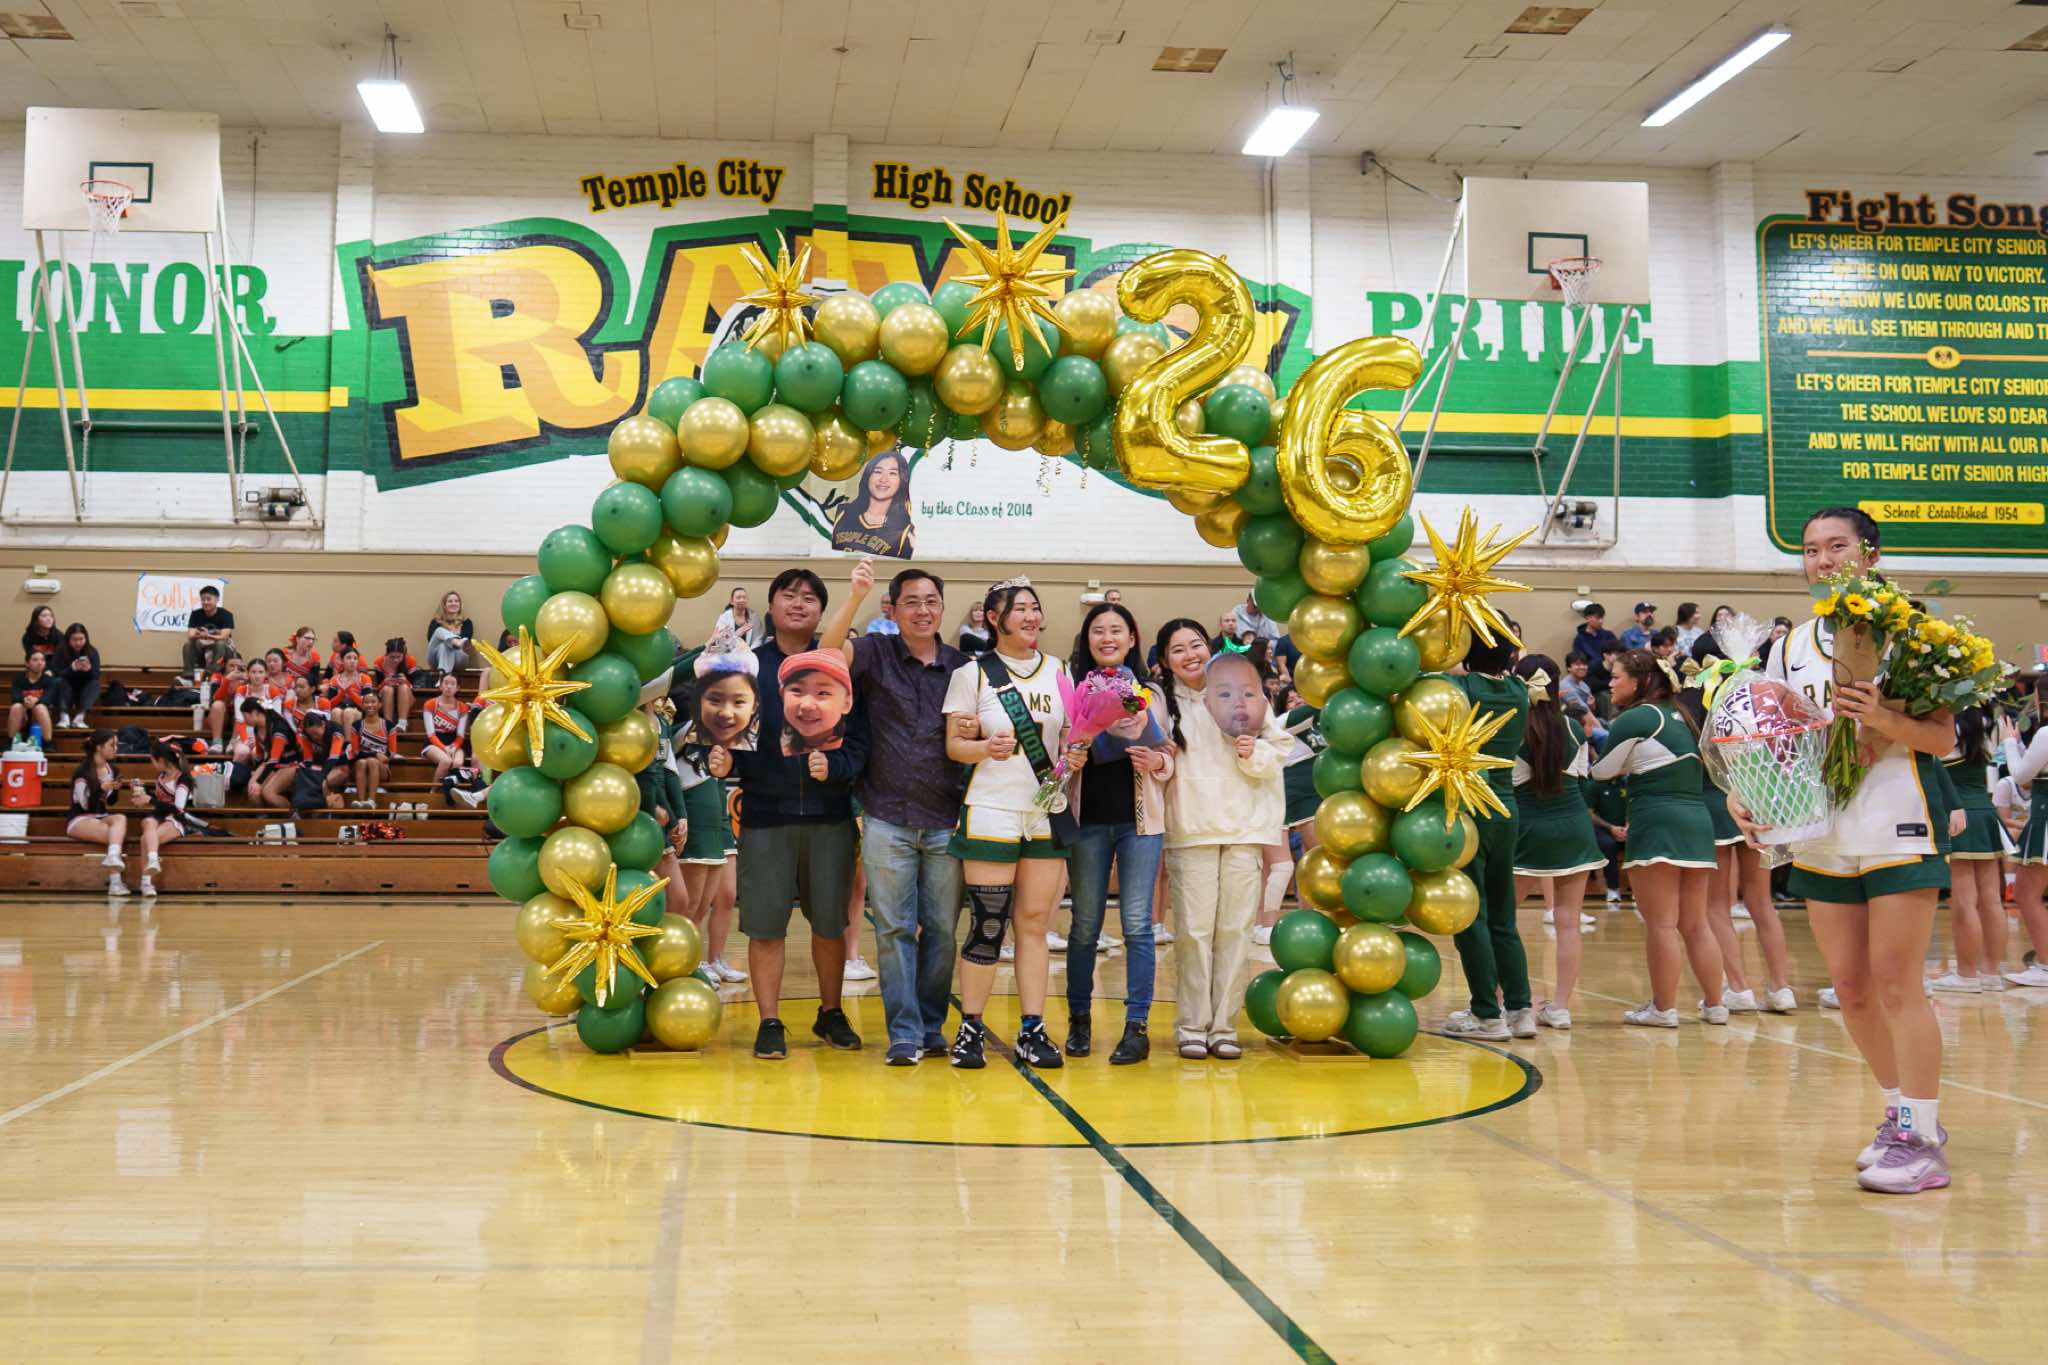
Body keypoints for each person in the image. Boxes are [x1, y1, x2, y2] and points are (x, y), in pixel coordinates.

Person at [1732, 508, 1959, 1194]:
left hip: (1898, 820)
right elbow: (1774, 740)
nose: (1823, 560)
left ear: (1871, 554)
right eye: (1811, 550)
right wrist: (1746, 792)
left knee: (1896, 983)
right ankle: (1899, 1114)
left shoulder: (1913, 634)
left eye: (1837, 546)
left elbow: (1943, 738)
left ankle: (1923, 1138)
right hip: (1820, 830)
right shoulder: (1789, 646)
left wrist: (1882, 719)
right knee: (1852, 990)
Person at [711, 568, 866, 1059]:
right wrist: (726, 759)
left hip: (829, 817)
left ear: (822, 612)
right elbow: (732, 731)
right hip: (765, 817)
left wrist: (836, 767)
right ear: (771, 605)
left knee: (830, 924)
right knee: (765, 925)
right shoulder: (748, 667)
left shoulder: (838, 665)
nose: (798, 604)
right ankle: (769, 1020)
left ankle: (831, 1012)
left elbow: (860, 740)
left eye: (809, 598)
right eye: (788, 595)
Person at [819, 559, 967, 1065]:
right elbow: (825, 655)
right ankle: (904, 1032)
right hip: (886, 816)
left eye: (931, 601)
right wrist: (855, 594)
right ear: (894, 609)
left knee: (942, 930)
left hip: (947, 818)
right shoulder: (875, 653)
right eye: (912, 602)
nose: (923, 610)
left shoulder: (963, 666)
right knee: (894, 930)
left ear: (942, 608)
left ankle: (931, 1024)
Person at [941, 578, 1076, 1069]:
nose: (1031, 616)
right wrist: (984, 747)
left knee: (1036, 925)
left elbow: (1070, 737)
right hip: (992, 810)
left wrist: (1074, 756)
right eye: (1019, 608)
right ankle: (971, 1027)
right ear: (995, 618)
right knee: (988, 923)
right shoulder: (972, 674)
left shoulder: (1060, 670)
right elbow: (955, 747)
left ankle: (1032, 1028)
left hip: (1045, 812)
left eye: (1035, 607)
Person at [1156, 624, 1287, 1059]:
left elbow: (1278, 750)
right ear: (1165, 659)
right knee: (1194, 932)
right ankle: (1193, 1025)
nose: (1189, 654)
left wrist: (1253, 752)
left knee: (1235, 931)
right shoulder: (1163, 704)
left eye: (1195, 644)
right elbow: (1158, 763)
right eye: (1177, 649)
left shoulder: (1245, 693)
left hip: (1244, 830)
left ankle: (1224, 1026)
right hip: (1191, 830)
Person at [1060, 602, 1172, 1065]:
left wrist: (1157, 761)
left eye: (1116, 630)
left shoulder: (1149, 692)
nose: (1107, 638)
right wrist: (1072, 755)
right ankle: (1079, 1020)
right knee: (1085, 924)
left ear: (1131, 638)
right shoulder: (1072, 688)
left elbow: (1170, 754)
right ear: (1086, 640)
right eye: (1098, 631)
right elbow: (1059, 754)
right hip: (1088, 821)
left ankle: (1136, 1027)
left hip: (1139, 823)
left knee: (1137, 925)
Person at [1592, 649, 1726, 1028]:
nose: (1611, 683)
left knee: (1662, 924)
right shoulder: (1682, 716)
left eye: (1617, 676)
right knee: (1696, 924)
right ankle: (1716, 1005)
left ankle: (1664, 1009)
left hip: (1657, 821)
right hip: (1697, 822)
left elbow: (1601, 772)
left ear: (1639, 681)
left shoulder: (1636, 718)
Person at [1440, 630, 1536, 1041]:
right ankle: (1520, 1010)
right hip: (1506, 808)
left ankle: (1486, 1014)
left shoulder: (1460, 689)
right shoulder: (1519, 691)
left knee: (1471, 916)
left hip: (1469, 810)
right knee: (1503, 918)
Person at [1676, 684, 1792, 1014]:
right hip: (1755, 806)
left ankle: (1739, 988)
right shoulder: (1742, 713)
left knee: (1716, 906)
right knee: (1762, 902)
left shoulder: (1686, 717)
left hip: (1714, 809)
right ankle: (1781, 988)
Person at [1509, 656, 1604, 1029]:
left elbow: (1509, 784)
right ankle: (1560, 1008)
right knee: (1569, 923)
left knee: (1502, 921)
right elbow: (1581, 779)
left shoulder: (1513, 727)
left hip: (1527, 828)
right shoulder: (1574, 727)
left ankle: (1507, 1003)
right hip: (1574, 826)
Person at [676, 643, 758, 983]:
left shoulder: (725, 728)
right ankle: (688, 963)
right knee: (693, 905)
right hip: (695, 815)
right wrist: (710, 650)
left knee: (724, 895)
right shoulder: (684, 729)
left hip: (718, 812)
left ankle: (714, 960)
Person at [1933, 708, 2008, 993]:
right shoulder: (1992, 724)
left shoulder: (1948, 727)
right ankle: (1991, 973)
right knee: (1992, 900)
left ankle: (1966, 975)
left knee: (1964, 901)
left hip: (1958, 815)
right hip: (1986, 813)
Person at [1268, 687, 1325, 946]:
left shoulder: (1321, 726)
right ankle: (1264, 924)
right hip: (1280, 793)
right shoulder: (1281, 723)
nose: (1296, 701)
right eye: (1289, 699)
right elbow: (1307, 711)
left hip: (1312, 795)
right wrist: (1323, 697)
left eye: (1299, 696)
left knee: (1314, 859)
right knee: (1278, 867)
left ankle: (1308, 915)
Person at [2000, 712, 2048, 988]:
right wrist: (2019, 745)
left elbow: (2020, 776)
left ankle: (2046, 965)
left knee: (2026, 894)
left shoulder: (2046, 733)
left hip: (2046, 817)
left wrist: (2008, 742)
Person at [66, 728, 132, 895]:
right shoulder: (82, 772)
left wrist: (115, 789)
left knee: (120, 818)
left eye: (116, 745)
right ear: (98, 748)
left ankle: (113, 858)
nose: (116, 749)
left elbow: (111, 802)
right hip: (80, 819)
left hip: (101, 815)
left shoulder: (113, 770)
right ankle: (115, 883)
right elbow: (85, 806)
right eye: (112, 745)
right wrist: (101, 789)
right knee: (114, 836)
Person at [830, 450, 916, 558]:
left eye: (892, 473)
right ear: (867, 476)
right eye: (878, 472)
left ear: (902, 481)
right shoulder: (842, 513)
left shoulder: (906, 531)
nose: (883, 479)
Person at [138, 739, 195, 895]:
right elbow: (160, 800)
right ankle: (152, 861)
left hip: (177, 819)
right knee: (148, 823)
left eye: (153, 760)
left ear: (162, 760)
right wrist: (143, 792)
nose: (152, 764)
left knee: (145, 839)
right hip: (160, 816)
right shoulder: (161, 776)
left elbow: (178, 809)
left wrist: (150, 800)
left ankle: (146, 883)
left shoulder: (183, 779)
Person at [420, 672, 471, 790]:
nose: (449, 687)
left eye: (453, 684)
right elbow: (430, 734)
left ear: (458, 688)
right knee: (446, 761)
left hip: (454, 741)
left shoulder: (462, 707)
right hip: (433, 742)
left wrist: (454, 747)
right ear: (440, 686)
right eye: (446, 683)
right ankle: (433, 793)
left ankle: (449, 792)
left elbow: (460, 735)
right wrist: (444, 748)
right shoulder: (430, 704)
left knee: (458, 763)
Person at [350, 690, 398, 809]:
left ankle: (371, 801)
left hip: (382, 768)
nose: (370, 705)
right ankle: (361, 801)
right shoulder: (356, 725)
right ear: (362, 705)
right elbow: (355, 753)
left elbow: (391, 754)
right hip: (360, 766)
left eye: (373, 702)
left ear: (380, 704)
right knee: (362, 762)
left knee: (372, 762)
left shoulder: (389, 726)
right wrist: (375, 754)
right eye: (366, 702)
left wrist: (375, 756)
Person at [51, 623, 101, 730]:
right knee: (58, 681)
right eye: (74, 639)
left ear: (86, 638)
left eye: (81, 639)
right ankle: (64, 717)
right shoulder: (60, 651)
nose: (78, 643)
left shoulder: (92, 652)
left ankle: (80, 718)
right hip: (65, 690)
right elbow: (55, 673)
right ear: (68, 639)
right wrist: (71, 669)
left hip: (83, 690)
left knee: (95, 684)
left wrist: (89, 670)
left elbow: (96, 676)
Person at [181, 585, 235, 678]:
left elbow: (224, 636)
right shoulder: (196, 614)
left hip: (223, 647)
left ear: (217, 599)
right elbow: (190, 635)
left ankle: (212, 672)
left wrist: (208, 635)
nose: (205, 602)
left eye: (208, 599)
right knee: (188, 644)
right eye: (203, 599)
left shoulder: (226, 615)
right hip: (203, 644)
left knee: (220, 644)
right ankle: (188, 672)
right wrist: (200, 635)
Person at [1571, 604, 1620, 698]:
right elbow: (1580, 662)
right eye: (1598, 618)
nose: (1601, 621)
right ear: (1587, 618)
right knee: (1604, 696)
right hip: (1593, 678)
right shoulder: (1579, 640)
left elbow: (1619, 652)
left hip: (1612, 672)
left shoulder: (1608, 635)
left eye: (1602, 618)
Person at [371, 639, 417, 733]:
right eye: (392, 657)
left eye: (398, 657)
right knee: (388, 689)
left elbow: (415, 686)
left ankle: (402, 723)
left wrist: (405, 681)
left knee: (403, 687)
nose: (395, 660)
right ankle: (388, 724)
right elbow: (376, 686)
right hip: (385, 695)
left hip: (406, 696)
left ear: (404, 654)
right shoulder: (379, 662)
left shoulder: (410, 660)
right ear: (387, 654)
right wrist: (385, 682)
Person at [9, 650, 54, 746]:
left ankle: (48, 742)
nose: (40, 663)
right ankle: (11, 741)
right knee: (16, 707)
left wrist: (36, 700)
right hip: (23, 713)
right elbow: (15, 696)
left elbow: (48, 698)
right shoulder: (19, 678)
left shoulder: (49, 680)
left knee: (40, 707)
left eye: (42, 660)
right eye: (35, 660)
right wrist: (24, 700)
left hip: (40, 715)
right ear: (27, 663)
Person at [426, 591, 475, 675]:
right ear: (444, 605)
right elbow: (431, 640)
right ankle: (456, 641)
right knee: (440, 635)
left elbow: (466, 643)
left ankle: (444, 677)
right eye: (450, 601)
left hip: (459, 658)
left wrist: (448, 642)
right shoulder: (436, 622)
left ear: (460, 604)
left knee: (445, 645)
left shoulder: (466, 622)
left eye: (456, 601)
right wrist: (453, 642)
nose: (453, 603)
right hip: (436, 659)